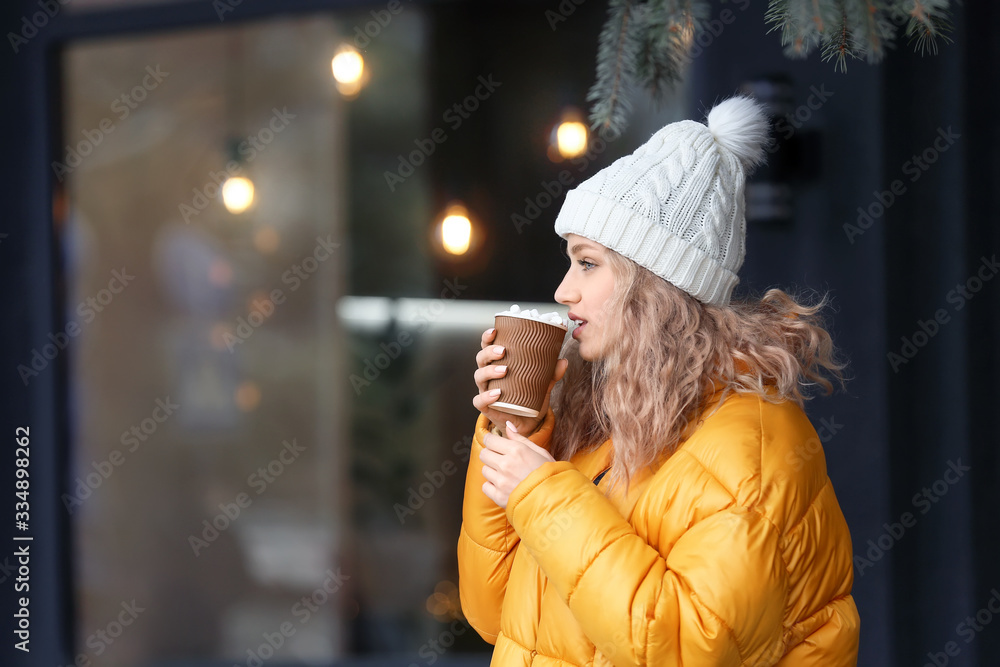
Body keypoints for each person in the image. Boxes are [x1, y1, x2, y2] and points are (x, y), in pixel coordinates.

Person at [457, 95, 860, 665]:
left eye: (587, 263)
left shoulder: (758, 444)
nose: (562, 289)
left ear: (654, 285)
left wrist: (542, 493)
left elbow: (686, 646)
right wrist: (516, 430)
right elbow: (493, 612)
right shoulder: (604, 425)